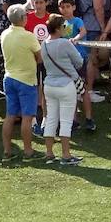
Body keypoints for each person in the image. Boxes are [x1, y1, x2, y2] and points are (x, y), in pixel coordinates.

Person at [39, 13, 84, 164]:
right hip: (65, 85)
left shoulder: (43, 44)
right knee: (65, 121)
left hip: (49, 85)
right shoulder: (65, 43)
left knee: (51, 119)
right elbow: (79, 62)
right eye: (64, 26)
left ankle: (49, 153)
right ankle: (66, 155)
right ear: (58, 28)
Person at [0, 4, 42, 161]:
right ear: (23, 18)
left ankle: (7, 151)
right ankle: (28, 151)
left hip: (9, 78)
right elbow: (39, 57)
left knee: (10, 116)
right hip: (26, 81)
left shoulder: (5, 34)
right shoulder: (28, 36)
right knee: (27, 117)